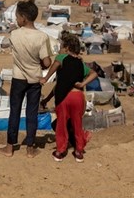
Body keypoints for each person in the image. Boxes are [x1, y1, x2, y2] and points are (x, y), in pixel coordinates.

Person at [0, 0, 52, 158]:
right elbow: (47, 62)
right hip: (35, 80)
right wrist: (41, 64)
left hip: (18, 79)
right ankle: (30, 149)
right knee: (31, 113)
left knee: (14, 112)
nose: (15, 19)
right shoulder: (42, 37)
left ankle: (9, 148)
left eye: (17, 16)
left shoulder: (14, 34)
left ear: (23, 18)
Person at [40, 33, 97, 163]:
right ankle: (79, 152)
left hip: (64, 97)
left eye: (60, 46)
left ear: (66, 47)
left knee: (61, 124)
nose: (59, 49)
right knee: (77, 124)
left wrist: (45, 78)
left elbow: (52, 70)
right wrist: (82, 84)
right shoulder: (80, 63)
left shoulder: (61, 57)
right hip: (77, 96)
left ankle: (60, 151)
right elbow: (94, 73)